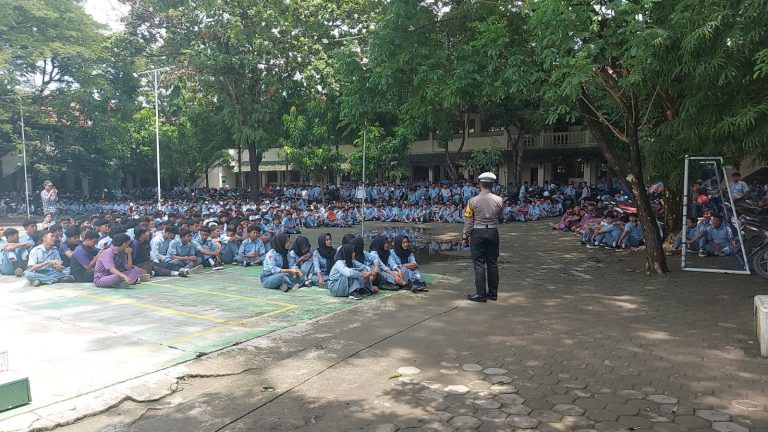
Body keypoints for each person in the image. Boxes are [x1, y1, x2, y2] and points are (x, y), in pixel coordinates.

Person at [462, 171, 503, 303]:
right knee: (492, 262)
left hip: (478, 233)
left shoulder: (472, 201)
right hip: (492, 232)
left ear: (479, 184)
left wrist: (465, 236)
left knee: (479, 264)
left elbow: (468, 221)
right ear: (493, 184)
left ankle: (481, 294)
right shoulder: (499, 200)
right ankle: (493, 293)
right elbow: (500, 217)